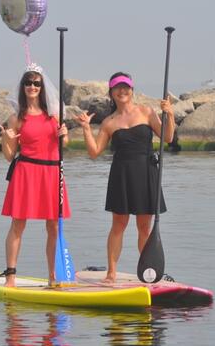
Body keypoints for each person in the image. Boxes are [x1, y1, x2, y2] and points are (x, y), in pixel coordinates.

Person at [73, 72, 175, 283]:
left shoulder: (146, 112)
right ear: (111, 93)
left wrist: (170, 114)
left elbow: (168, 137)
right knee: (118, 224)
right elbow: (94, 152)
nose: (122, 91)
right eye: (117, 88)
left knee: (144, 227)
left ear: (132, 90)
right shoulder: (109, 122)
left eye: (126, 87)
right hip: (121, 175)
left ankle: (149, 272)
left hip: (146, 172)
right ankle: (111, 273)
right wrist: (85, 129)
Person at [0, 63, 69, 287]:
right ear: (23, 87)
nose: (32, 86)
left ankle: (52, 276)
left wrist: (64, 134)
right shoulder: (16, 118)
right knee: (18, 224)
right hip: (26, 172)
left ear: (42, 87)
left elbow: (64, 144)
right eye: (28, 83)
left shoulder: (54, 116)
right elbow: (10, 156)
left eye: (36, 83)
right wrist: (6, 139)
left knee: (54, 227)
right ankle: (11, 276)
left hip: (52, 171)